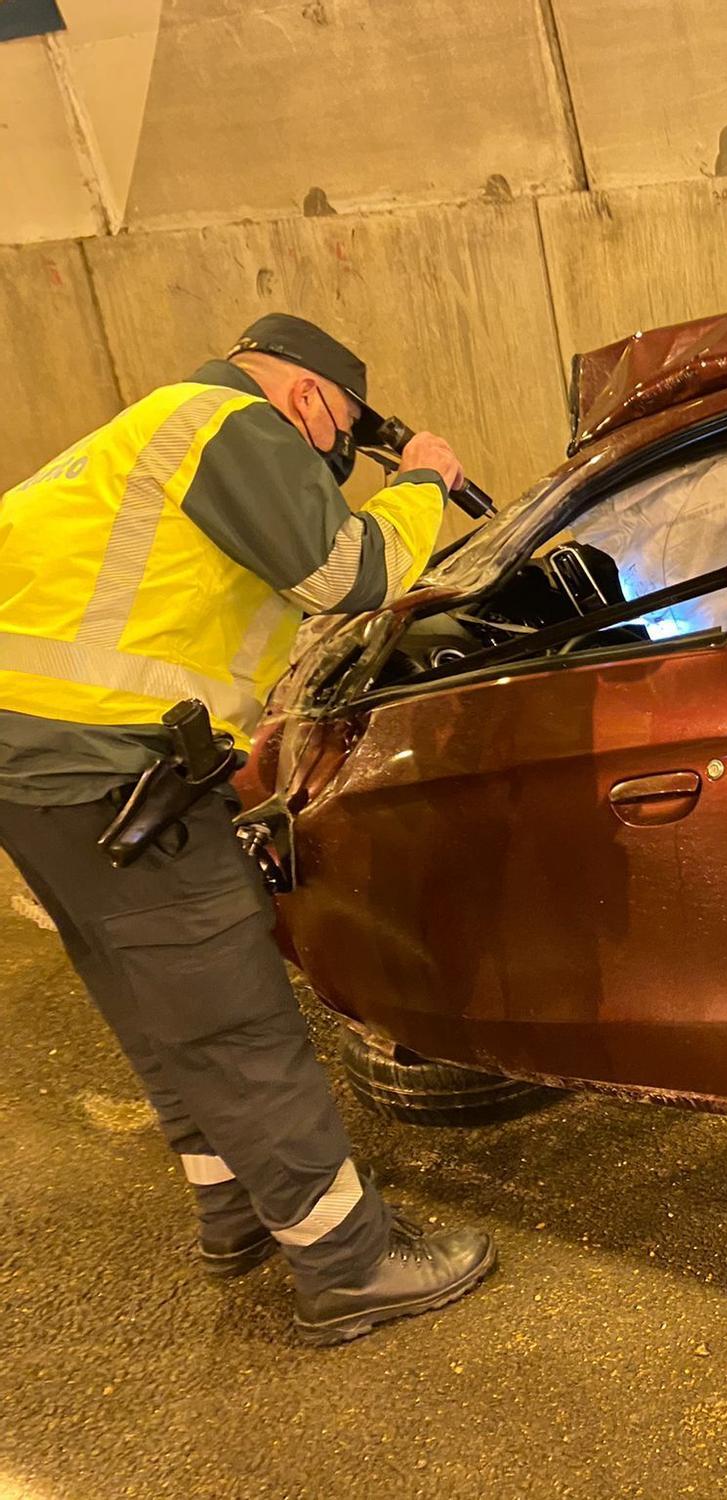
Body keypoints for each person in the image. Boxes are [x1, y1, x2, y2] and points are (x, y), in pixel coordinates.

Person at [0, 313, 497, 1344]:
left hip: (35, 774)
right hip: (108, 775)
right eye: (343, 436)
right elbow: (347, 577)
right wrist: (425, 479)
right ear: (309, 398)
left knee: (155, 1005)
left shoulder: (143, 437)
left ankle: (235, 1210)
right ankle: (347, 1265)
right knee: (233, 1017)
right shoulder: (228, 422)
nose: (336, 457)